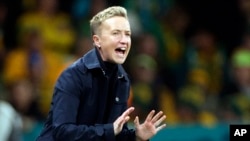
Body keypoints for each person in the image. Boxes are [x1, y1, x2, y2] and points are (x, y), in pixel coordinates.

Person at [36, 6, 166, 141]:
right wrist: (109, 130)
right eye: (116, 33)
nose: (124, 40)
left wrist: (136, 137)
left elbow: (115, 133)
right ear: (97, 40)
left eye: (127, 34)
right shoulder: (72, 76)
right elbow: (62, 132)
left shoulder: (122, 80)